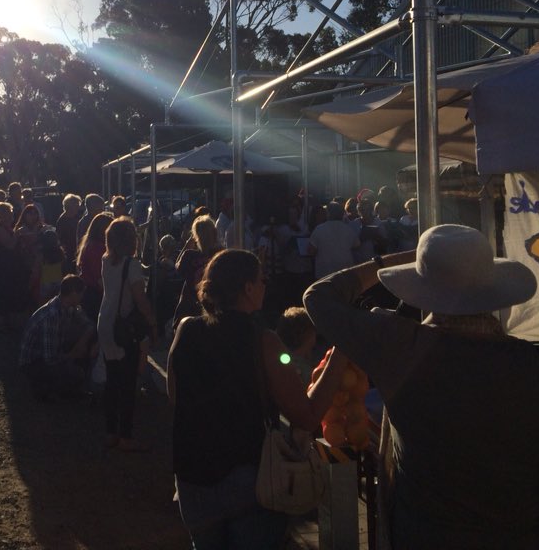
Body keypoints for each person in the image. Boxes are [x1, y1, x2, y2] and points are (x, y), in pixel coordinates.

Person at [303, 225, 539, 549]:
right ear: (493, 290)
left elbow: (319, 297)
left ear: (421, 289)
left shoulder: (400, 348)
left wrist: (386, 263)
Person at [168, 249, 350, 549]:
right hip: (247, 478)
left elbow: (174, 395)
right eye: (261, 280)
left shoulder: (187, 329)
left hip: (192, 477)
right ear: (248, 288)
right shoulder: (264, 341)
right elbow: (306, 415)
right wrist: (340, 353)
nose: (266, 286)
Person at [97, 217, 157, 451]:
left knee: (112, 381)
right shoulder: (131, 265)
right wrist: (151, 321)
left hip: (106, 321)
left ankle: (111, 431)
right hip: (124, 326)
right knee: (128, 383)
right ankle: (126, 434)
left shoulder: (106, 261)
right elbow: (139, 298)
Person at [19, 274, 96, 400]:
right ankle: (48, 389)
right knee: (76, 375)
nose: (82, 297)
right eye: (81, 294)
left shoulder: (68, 306)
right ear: (74, 294)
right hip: (33, 362)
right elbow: (49, 359)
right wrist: (73, 354)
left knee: (76, 367)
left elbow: (89, 325)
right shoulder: (52, 316)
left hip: (45, 355)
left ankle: (57, 388)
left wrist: (82, 342)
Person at [172, 214, 222, 330]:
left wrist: (186, 246)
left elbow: (177, 268)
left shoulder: (189, 256)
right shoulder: (220, 256)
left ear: (196, 236)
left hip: (189, 310)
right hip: (213, 311)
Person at [76, 211, 113, 323]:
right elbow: (99, 277)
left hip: (92, 292)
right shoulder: (96, 248)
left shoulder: (91, 244)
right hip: (95, 295)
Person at [307, 201, 360, 279]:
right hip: (345, 272)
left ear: (328, 213)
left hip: (325, 274)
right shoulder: (348, 229)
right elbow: (357, 245)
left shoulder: (319, 229)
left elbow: (311, 251)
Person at [55, 193, 82, 272]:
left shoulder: (77, 218)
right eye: (76, 205)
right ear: (69, 206)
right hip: (68, 255)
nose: (78, 207)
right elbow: (60, 239)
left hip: (77, 251)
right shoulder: (62, 221)